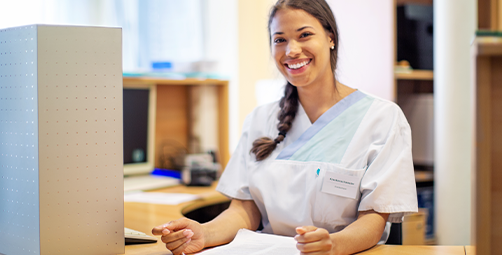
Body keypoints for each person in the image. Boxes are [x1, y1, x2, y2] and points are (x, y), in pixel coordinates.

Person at [152, 0, 417, 254]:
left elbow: (373, 222)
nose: (291, 50)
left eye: (304, 35)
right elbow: (245, 209)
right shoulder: (260, 119)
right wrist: (204, 234)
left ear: (330, 38)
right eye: (280, 39)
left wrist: (332, 246)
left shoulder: (382, 118)